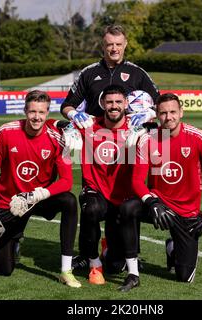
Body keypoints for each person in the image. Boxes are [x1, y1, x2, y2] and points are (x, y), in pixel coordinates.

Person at [60, 24, 160, 270]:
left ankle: (128, 253)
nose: (114, 49)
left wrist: (149, 112)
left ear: (125, 44)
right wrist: (74, 115)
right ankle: (87, 254)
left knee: (127, 199)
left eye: (118, 44)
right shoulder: (89, 73)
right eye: (109, 45)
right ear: (102, 46)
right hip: (96, 147)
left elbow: (161, 104)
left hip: (128, 145)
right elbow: (67, 105)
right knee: (92, 205)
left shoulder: (137, 74)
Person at [119, 93, 202, 289]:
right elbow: (137, 181)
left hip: (187, 213)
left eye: (172, 112)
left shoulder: (197, 137)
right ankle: (132, 272)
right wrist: (151, 202)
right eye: (163, 113)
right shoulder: (148, 140)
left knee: (184, 277)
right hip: (159, 206)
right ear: (156, 115)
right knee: (128, 208)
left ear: (181, 112)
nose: (168, 117)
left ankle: (172, 248)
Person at [0, 90, 81, 288]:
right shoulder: (5, 132)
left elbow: (66, 181)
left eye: (42, 112)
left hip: (40, 198)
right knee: (3, 270)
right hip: (11, 203)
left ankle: (66, 270)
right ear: (25, 111)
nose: (37, 117)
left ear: (47, 113)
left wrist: (37, 194)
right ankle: (16, 238)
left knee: (69, 200)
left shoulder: (60, 137)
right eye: (33, 111)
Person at [71, 84, 142, 291]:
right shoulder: (89, 125)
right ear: (102, 103)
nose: (114, 106)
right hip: (97, 192)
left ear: (126, 104)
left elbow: (165, 130)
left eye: (118, 102)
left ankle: (107, 251)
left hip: (123, 197)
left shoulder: (136, 127)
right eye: (109, 102)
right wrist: (69, 123)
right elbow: (55, 124)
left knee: (115, 265)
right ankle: (94, 263)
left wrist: (148, 119)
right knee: (91, 209)